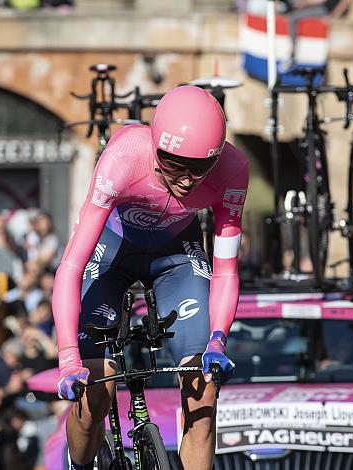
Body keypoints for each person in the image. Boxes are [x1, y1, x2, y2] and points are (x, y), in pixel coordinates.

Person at [52, 85, 249, 469]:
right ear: (156, 148)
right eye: (174, 164)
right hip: (113, 252)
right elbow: (72, 265)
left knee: (202, 385)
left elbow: (226, 267)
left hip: (176, 257)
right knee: (95, 385)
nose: (188, 179)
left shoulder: (234, 169)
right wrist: (67, 358)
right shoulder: (124, 156)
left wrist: (218, 340)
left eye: (200, 167)